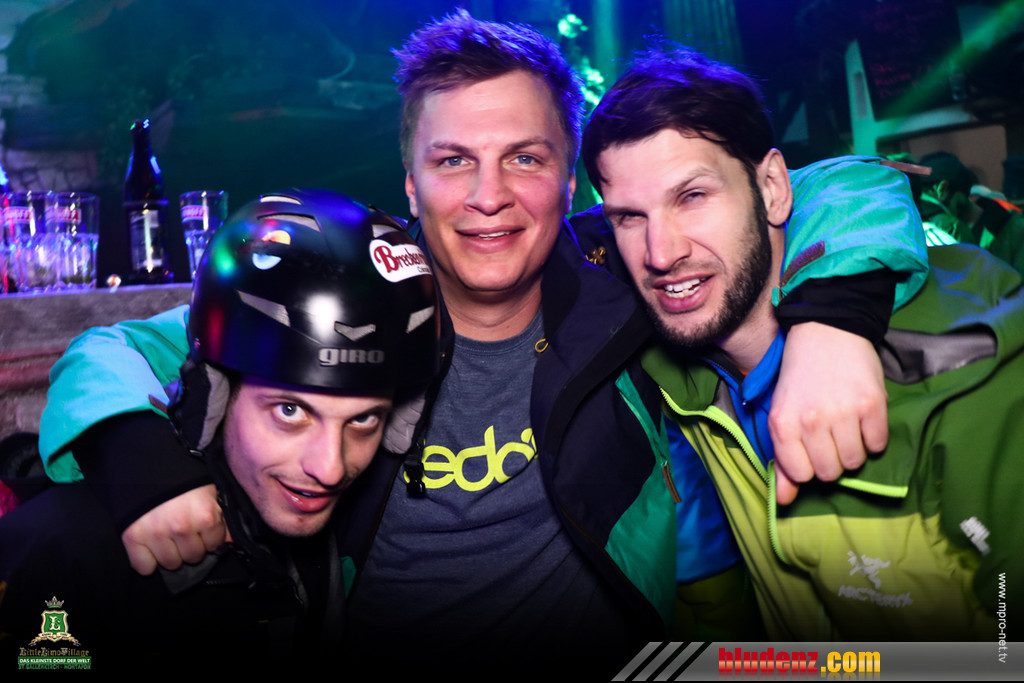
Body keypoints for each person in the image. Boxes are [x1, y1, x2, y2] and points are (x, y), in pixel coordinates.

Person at [36, 11, 928, 675]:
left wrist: (833, 323)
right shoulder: (350, 291)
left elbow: (840, 183)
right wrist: (142, 462)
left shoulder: (622, 274)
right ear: (411, 183)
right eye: (454, 159)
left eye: (525, 158)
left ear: (570, 180)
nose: (488, 196)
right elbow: (111, 351)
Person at [579, 45, 1023, 641]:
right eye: (630, 217)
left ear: (772, 188)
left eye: (693, 197)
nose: (661, 253)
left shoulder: (963, 371)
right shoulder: (672, 365)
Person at [0, 189, 439, 670]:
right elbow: (113, 347)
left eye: (364, 419)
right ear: (213, 393)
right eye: (289, 411)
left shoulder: (314, 535)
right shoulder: (65, 551)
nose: (330, 468)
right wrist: (141, 458)